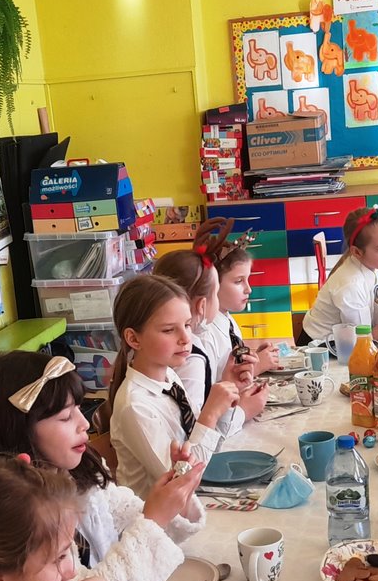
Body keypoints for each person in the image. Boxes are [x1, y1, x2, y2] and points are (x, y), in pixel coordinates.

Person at [0, 349, 201, 581]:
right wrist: (154, 520)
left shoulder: (81, 472)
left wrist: (176, 495)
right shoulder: (15, 514)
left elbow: (138, 526)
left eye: (79, 409)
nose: (85, 424)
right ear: (19, 430)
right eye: (65, 417)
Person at [106, 273, 238, 519]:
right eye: (169, 330)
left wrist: (228, 392)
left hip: (188, 509)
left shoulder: (170, 377)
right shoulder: (135, 406)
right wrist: (209, 415)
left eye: (187, 325)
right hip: (157, 527)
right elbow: (180, 484)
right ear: (133, 338)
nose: (186, 338)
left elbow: (204, 450)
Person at [153, 237, 266, 435]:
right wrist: (243, 411)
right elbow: (194, 432)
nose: (248, 288)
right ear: (202, 304)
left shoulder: (195, 342)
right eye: (215, 292)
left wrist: (230, 384)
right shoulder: (191, 355)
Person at [299, 201, 378, 343]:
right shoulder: (351, 286)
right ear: (357, 252)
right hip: (318, 347)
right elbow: (364, 342)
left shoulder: (371, 266)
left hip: (345, 344)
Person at [197, 219, 282, 374]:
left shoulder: (228, 320)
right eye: (238, 281)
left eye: (247, 279)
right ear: (213, 284)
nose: (248, 289)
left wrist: (254, 358)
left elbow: (231, 365)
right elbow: (210, 386)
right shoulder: (206, 335)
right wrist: (255, 368)